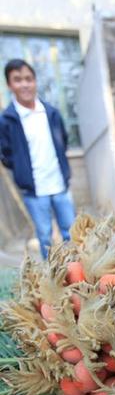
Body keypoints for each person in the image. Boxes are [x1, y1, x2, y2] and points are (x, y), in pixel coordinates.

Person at [0, 59, 75, 258]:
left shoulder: (51, 113)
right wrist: (23, 173)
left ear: (35, 81)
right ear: (9, 85)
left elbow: (63, 141)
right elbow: (5, 154)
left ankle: (79, 273)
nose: (24, 84)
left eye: (28, 79)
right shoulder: (7, 120)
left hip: (60, 185)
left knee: (72, 233)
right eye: (17, 80)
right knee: (45, 237)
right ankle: (53, 279)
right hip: (34, 191)